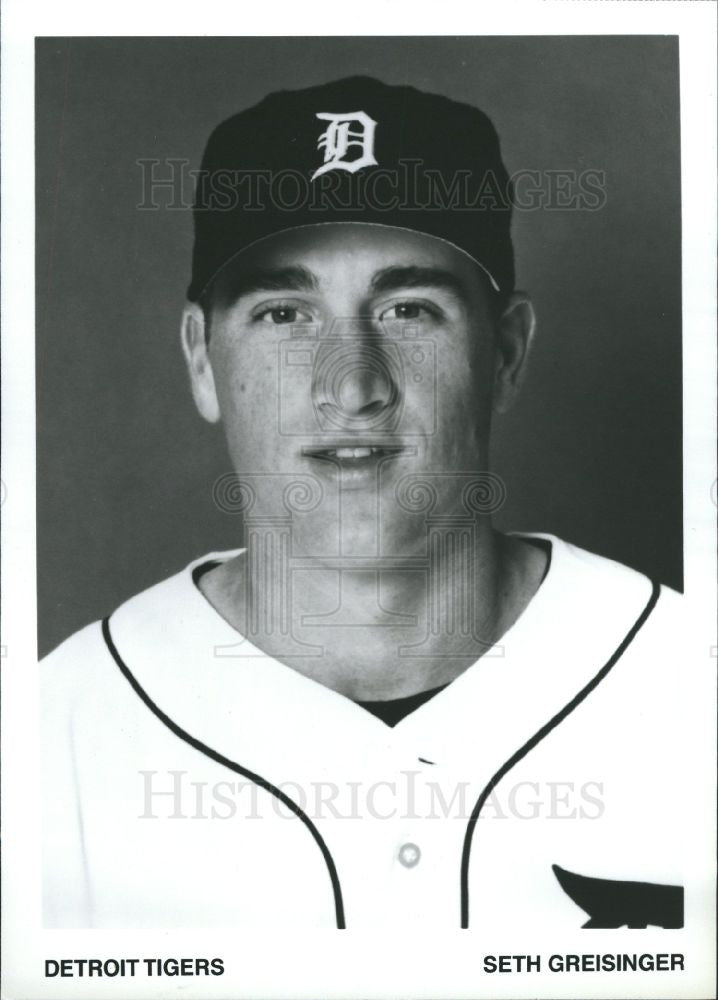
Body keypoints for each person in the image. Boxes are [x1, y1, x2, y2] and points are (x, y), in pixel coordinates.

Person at [41, 76, 696, 932]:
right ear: (202, 360)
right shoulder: (56, 737)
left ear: (505, 353)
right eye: (284, 314)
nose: (351, 384)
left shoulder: (691, 685)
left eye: (408, 309)